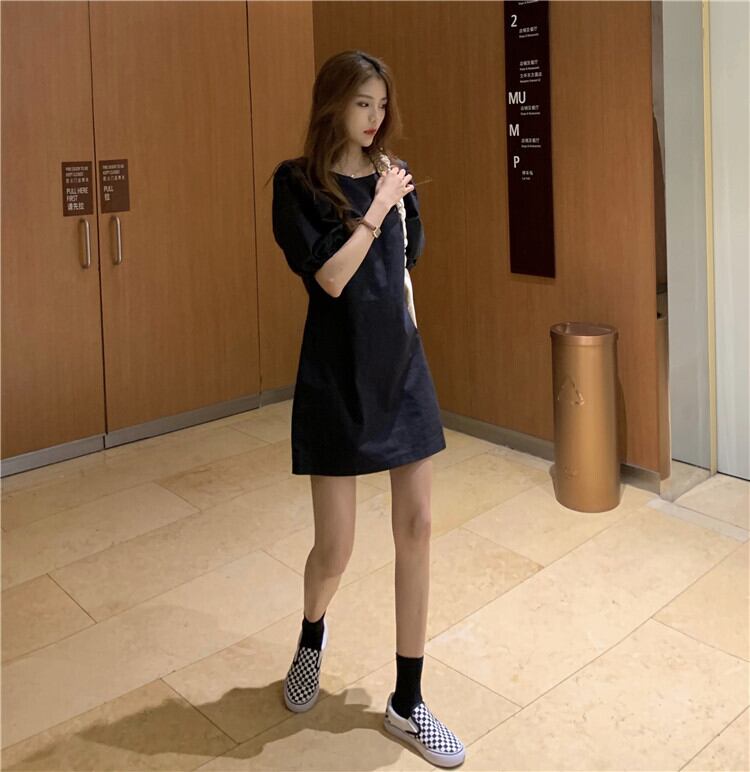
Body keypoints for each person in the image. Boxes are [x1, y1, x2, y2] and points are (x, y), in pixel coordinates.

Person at [270, 50, 465, 768]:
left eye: (381, 104)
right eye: (362, 103)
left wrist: (392, 200)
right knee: (337, 548)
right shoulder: (297, 183)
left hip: (401, 371)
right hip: (336, 379)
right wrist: (378, 209)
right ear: (332, 104)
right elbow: (331, 277)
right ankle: (311, 633)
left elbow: (404, 268)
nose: (375, 117)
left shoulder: (395, 176)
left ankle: (408, 702)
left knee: (417, 527)